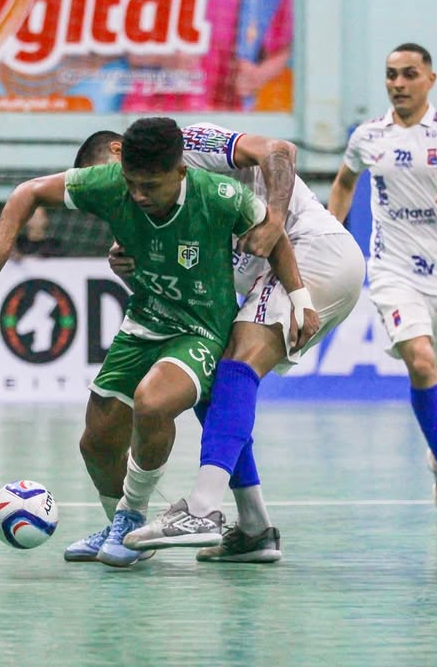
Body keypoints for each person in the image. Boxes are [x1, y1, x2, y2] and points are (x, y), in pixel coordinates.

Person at [0, 117, 317, 567]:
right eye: (132, 184)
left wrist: (299, 299)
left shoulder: (219, 196)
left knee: (152, 402)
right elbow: (28, 191)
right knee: (97, 440)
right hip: (143, 322)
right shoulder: (110, 183)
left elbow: (275, 235)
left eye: (150, 185)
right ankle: (121, 528)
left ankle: (131, 515)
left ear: (180, 172)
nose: (139, 195)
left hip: (200, 329)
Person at [73, 123, 364, 562]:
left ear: (122, 151)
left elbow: (279, 150)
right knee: (210, 383)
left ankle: (204, 508)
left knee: (237, 364)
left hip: (311, 249)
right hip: (276, 273)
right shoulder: (148, 217)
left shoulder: (190, 144)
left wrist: (275, 221)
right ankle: (253, 529)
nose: (129, 194)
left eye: (121, 177)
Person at [328, 43, 437, 518]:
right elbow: (345, 182)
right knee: (420, 362)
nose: (398, 83)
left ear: (430, 79)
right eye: (391, 75)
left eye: (409, 74)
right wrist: (332, 232)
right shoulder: (367, 136)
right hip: (392, 270)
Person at [122, 0, 293, 112]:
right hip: (160, 104)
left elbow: (282, 47)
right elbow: (126, 43)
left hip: (227, 106)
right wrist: (165, 59)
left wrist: (258, 75)